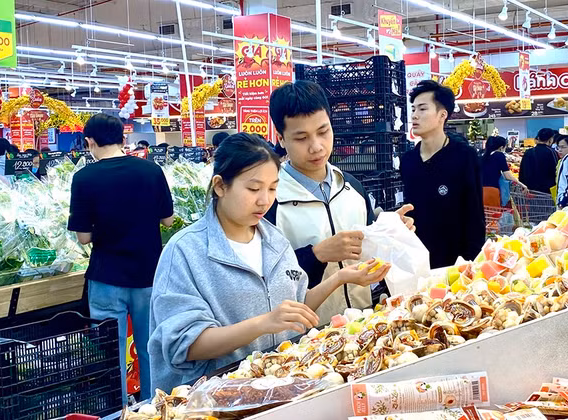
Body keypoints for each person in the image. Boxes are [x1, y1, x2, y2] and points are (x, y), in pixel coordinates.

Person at [148, 133, 390, 389]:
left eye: (273, 188)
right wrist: (262, 323)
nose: (264, 200)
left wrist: (341, 277)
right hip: (217, 396)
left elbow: (296, 307)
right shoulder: (185, 252)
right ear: (220, 186)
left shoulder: (274, 239)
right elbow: (184, 345)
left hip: (280, 387)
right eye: (254, 189)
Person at [266, 80, 414, 320]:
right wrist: (316, 255)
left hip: (362, 321)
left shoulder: (351, 186)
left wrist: (388, 231)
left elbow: (370, 249)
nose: (316, 147)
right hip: (306, 333)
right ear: (281, 138)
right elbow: (266, 281)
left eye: (323, 131)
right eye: (301, 138)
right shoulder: (270, 200)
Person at [68, 114, 175, 403]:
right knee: (151, 346)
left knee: (111, 351)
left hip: (107, 276)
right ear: (122, 138)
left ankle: (119, 408)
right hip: (149, 273)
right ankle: (155, 406)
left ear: (90, 141)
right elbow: (168, 220)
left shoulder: (84, 178)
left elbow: (83, 237)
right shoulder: (151, 171)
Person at [401, 80, 485, 268]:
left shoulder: (464, 156)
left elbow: (474, 213)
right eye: (413, 109)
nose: (414, 115)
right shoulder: (408, 160)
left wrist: (472, 262)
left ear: (442, 115)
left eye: (422, 109)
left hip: (455, 263)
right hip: (417, 261)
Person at [481, 135, 528, 207]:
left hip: (480, 191)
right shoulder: (499, 155)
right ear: (501, 147)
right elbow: (507, 176)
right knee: (494, 213)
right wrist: (522, 184)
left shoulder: (482, 156)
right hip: (492, 191)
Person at [519, 128, 559, 195]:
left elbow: (522, 171)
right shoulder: (552, 152)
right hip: (547, 191)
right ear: (551, 139)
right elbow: (556, 171)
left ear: (538, 138)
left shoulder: (528, 152)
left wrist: (523, 185)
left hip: (530, 189)